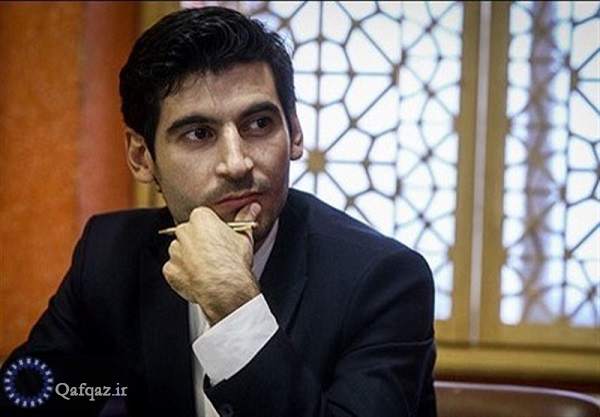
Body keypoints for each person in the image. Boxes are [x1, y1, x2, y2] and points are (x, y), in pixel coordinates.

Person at [0, 6, 436, 417]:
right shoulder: (110, 254)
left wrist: (236, 309)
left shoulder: (384, 280)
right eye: (199, 133)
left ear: (295, 132)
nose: (237, 162)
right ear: (141, 157)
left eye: (259, 124)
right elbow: (31, 392)